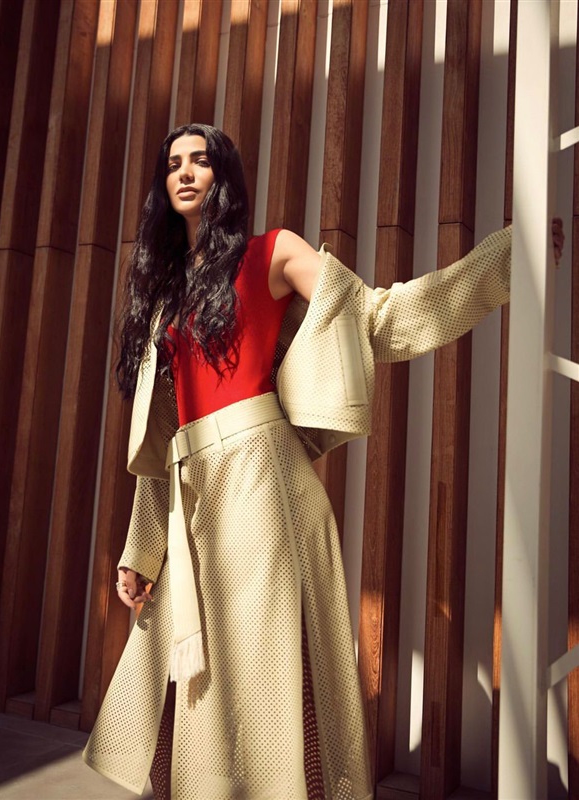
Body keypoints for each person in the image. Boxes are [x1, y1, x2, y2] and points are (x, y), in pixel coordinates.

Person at [83, 124, 564, 800]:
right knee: (188, 677)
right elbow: (165, 440)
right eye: (173, 164)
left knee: (269, 669)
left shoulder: (273, 252)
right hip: (193, 492)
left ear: (225, 177)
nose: (185, 172)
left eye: (201, 161)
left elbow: (374, 315)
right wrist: (143, 551)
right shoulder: (165, 293)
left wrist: (505, 259)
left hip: (262, 483)